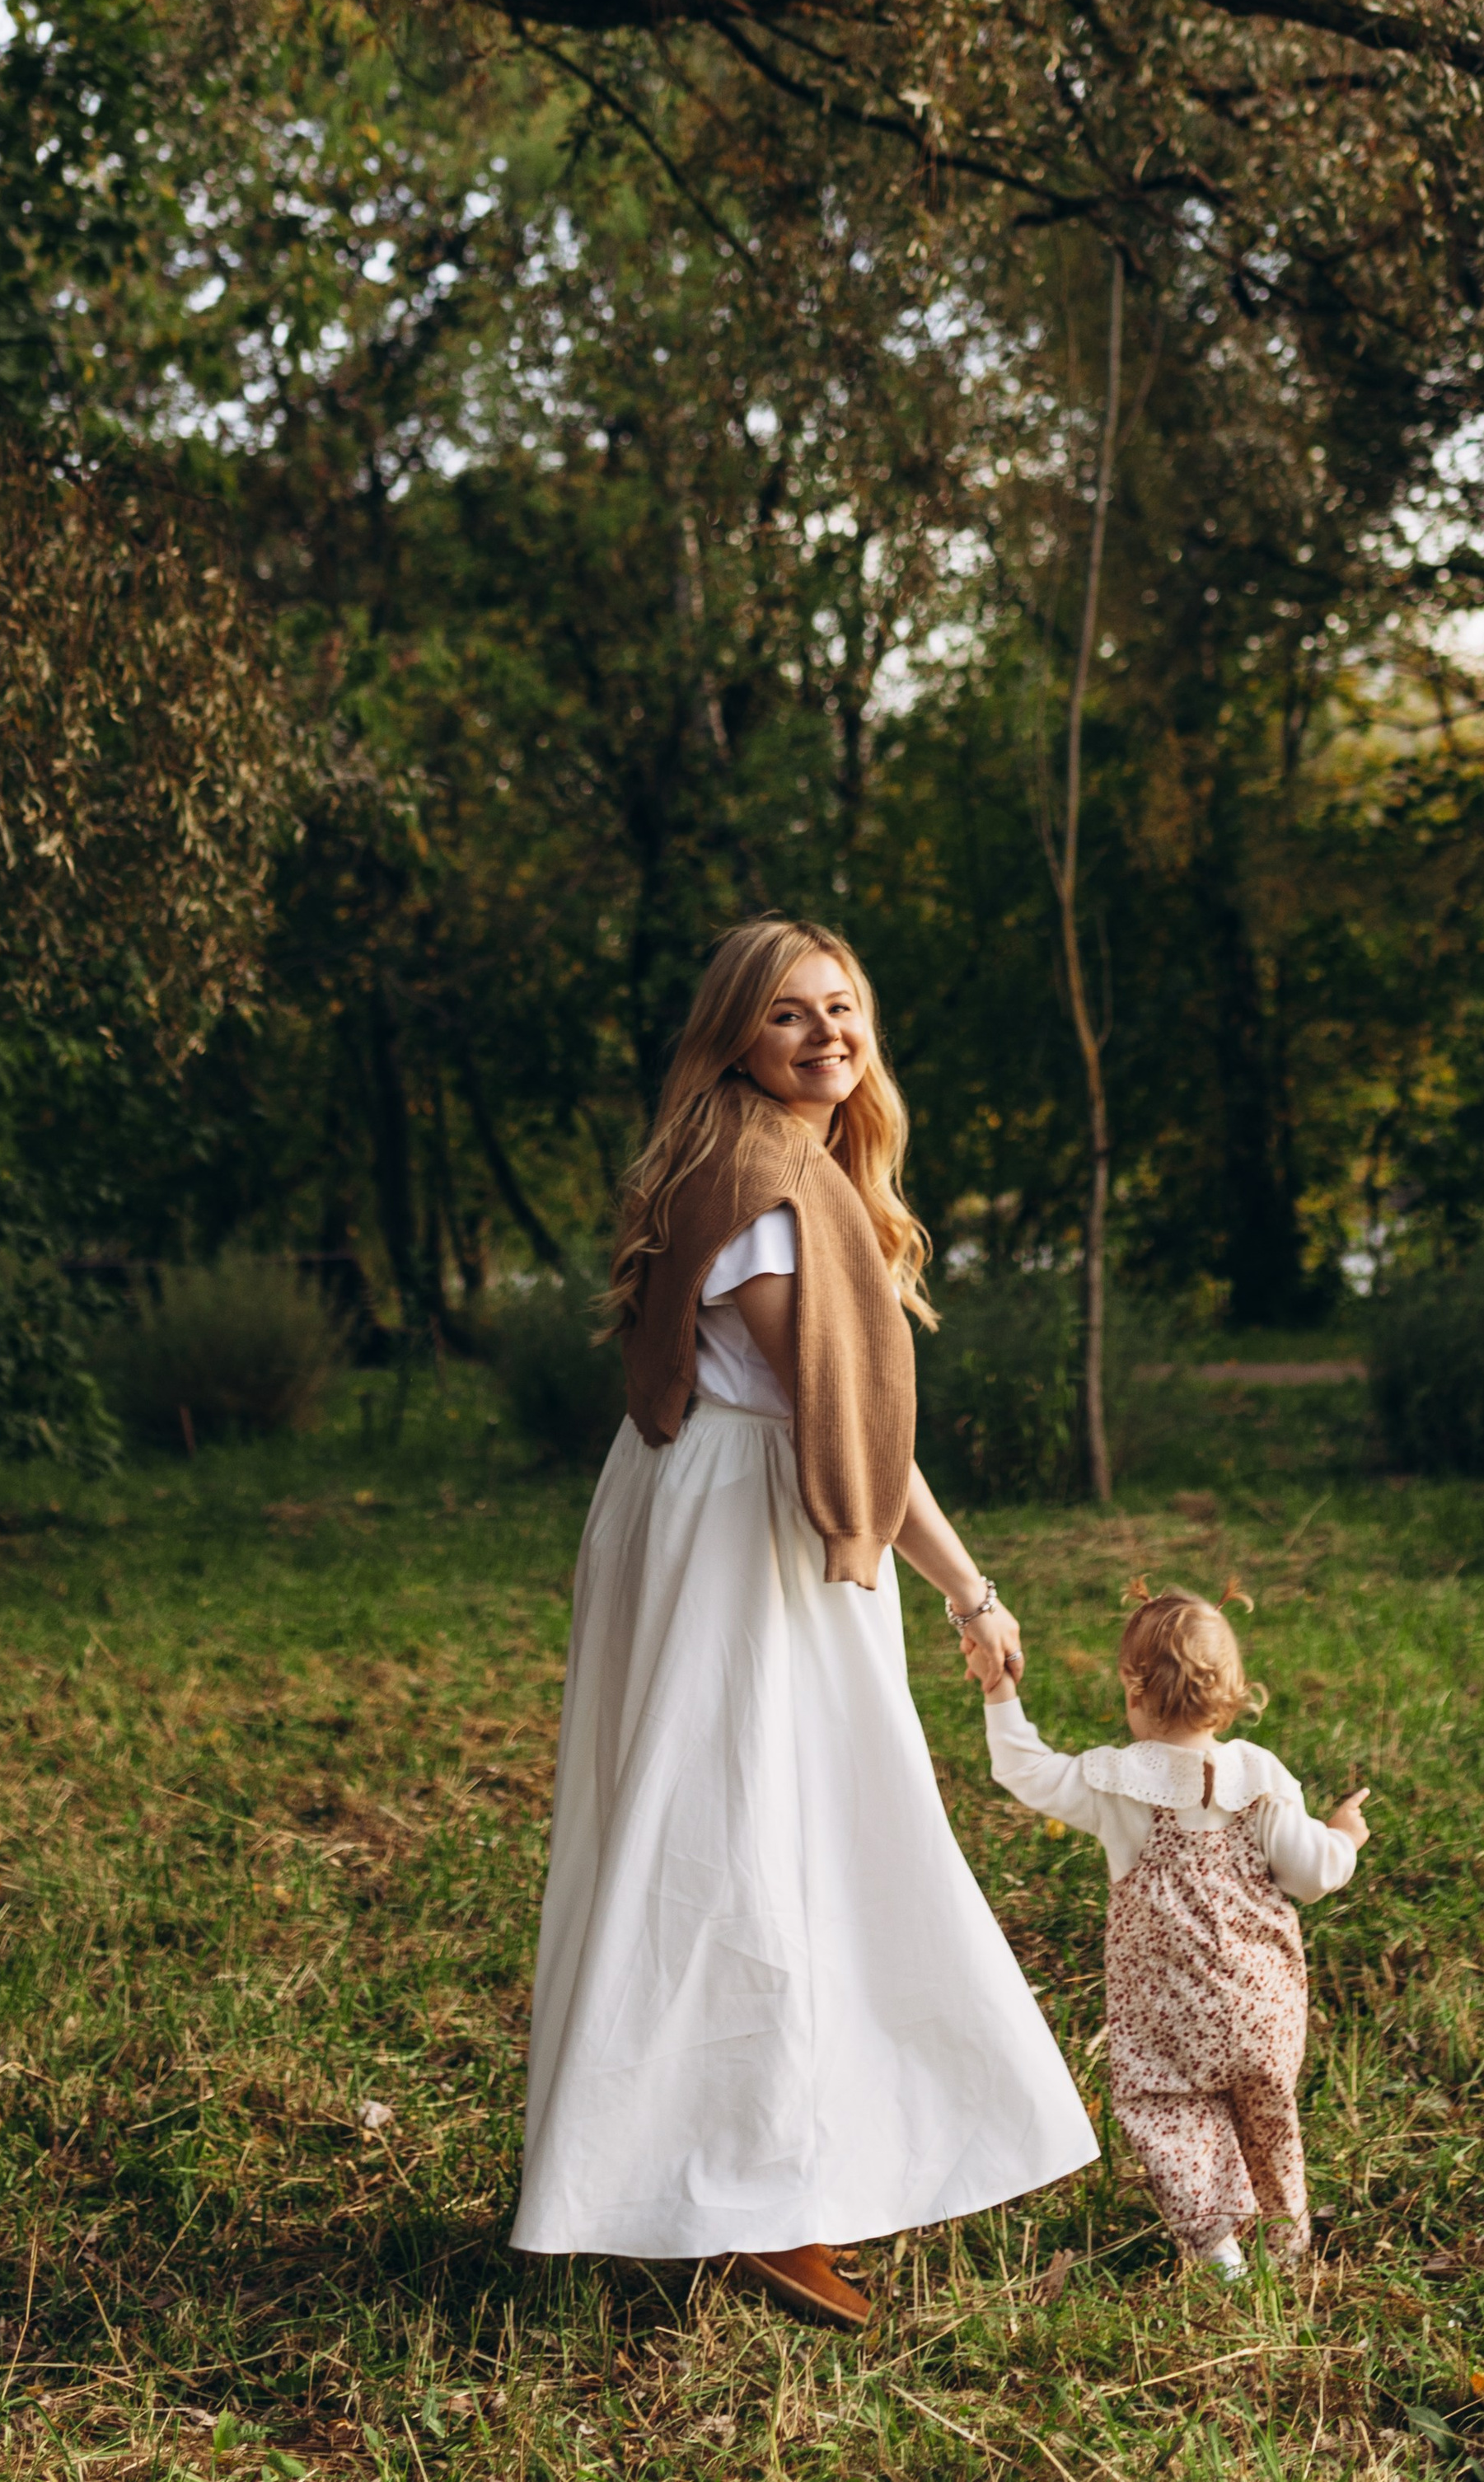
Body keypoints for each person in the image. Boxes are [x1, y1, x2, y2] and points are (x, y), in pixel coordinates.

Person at [511, 917, 1098, 2326]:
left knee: (752, 1832)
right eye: (789, 1016)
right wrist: (970, 1588)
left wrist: (965, 1579)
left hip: (713, 1496)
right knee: (744, 1842)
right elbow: (841, 1425)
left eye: (844, 1007)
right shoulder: (766, 1184)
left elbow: (846, 1424)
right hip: (742, 1534)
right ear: (736, 1039)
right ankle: (748, 2188)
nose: (827, 1034)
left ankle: (718, 2166)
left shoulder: (765, 1164)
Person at [970, 1581, 1372, 2278]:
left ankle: (1217, 2246)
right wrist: (1344, 1836)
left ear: (1133, 1685)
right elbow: (1311, 1875)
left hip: (1166, 2012)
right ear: (1235, 1691)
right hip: (1262, 2005)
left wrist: (998, 1692)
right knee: (1266, 2115)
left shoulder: (1118, 1783)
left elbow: (1024, 1770)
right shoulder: (1263, 1778)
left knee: (1167, 2109)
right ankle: (1285, 2240)